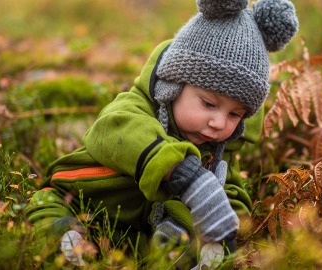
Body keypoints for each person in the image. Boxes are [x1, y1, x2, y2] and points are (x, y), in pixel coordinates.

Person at [25, 0, 298, 267]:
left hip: (136, 232)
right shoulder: (135, 108)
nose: (218, 122)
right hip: (78, 197)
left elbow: (231, 193)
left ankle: (159, 249)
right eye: (209, 104)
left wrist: (223, 231)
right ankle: (63, 235)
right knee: (48, 209)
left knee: (181, 241)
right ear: (173, 85)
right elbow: (112, 129)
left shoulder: (218, 148)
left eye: (234, 114)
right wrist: (183, 173)